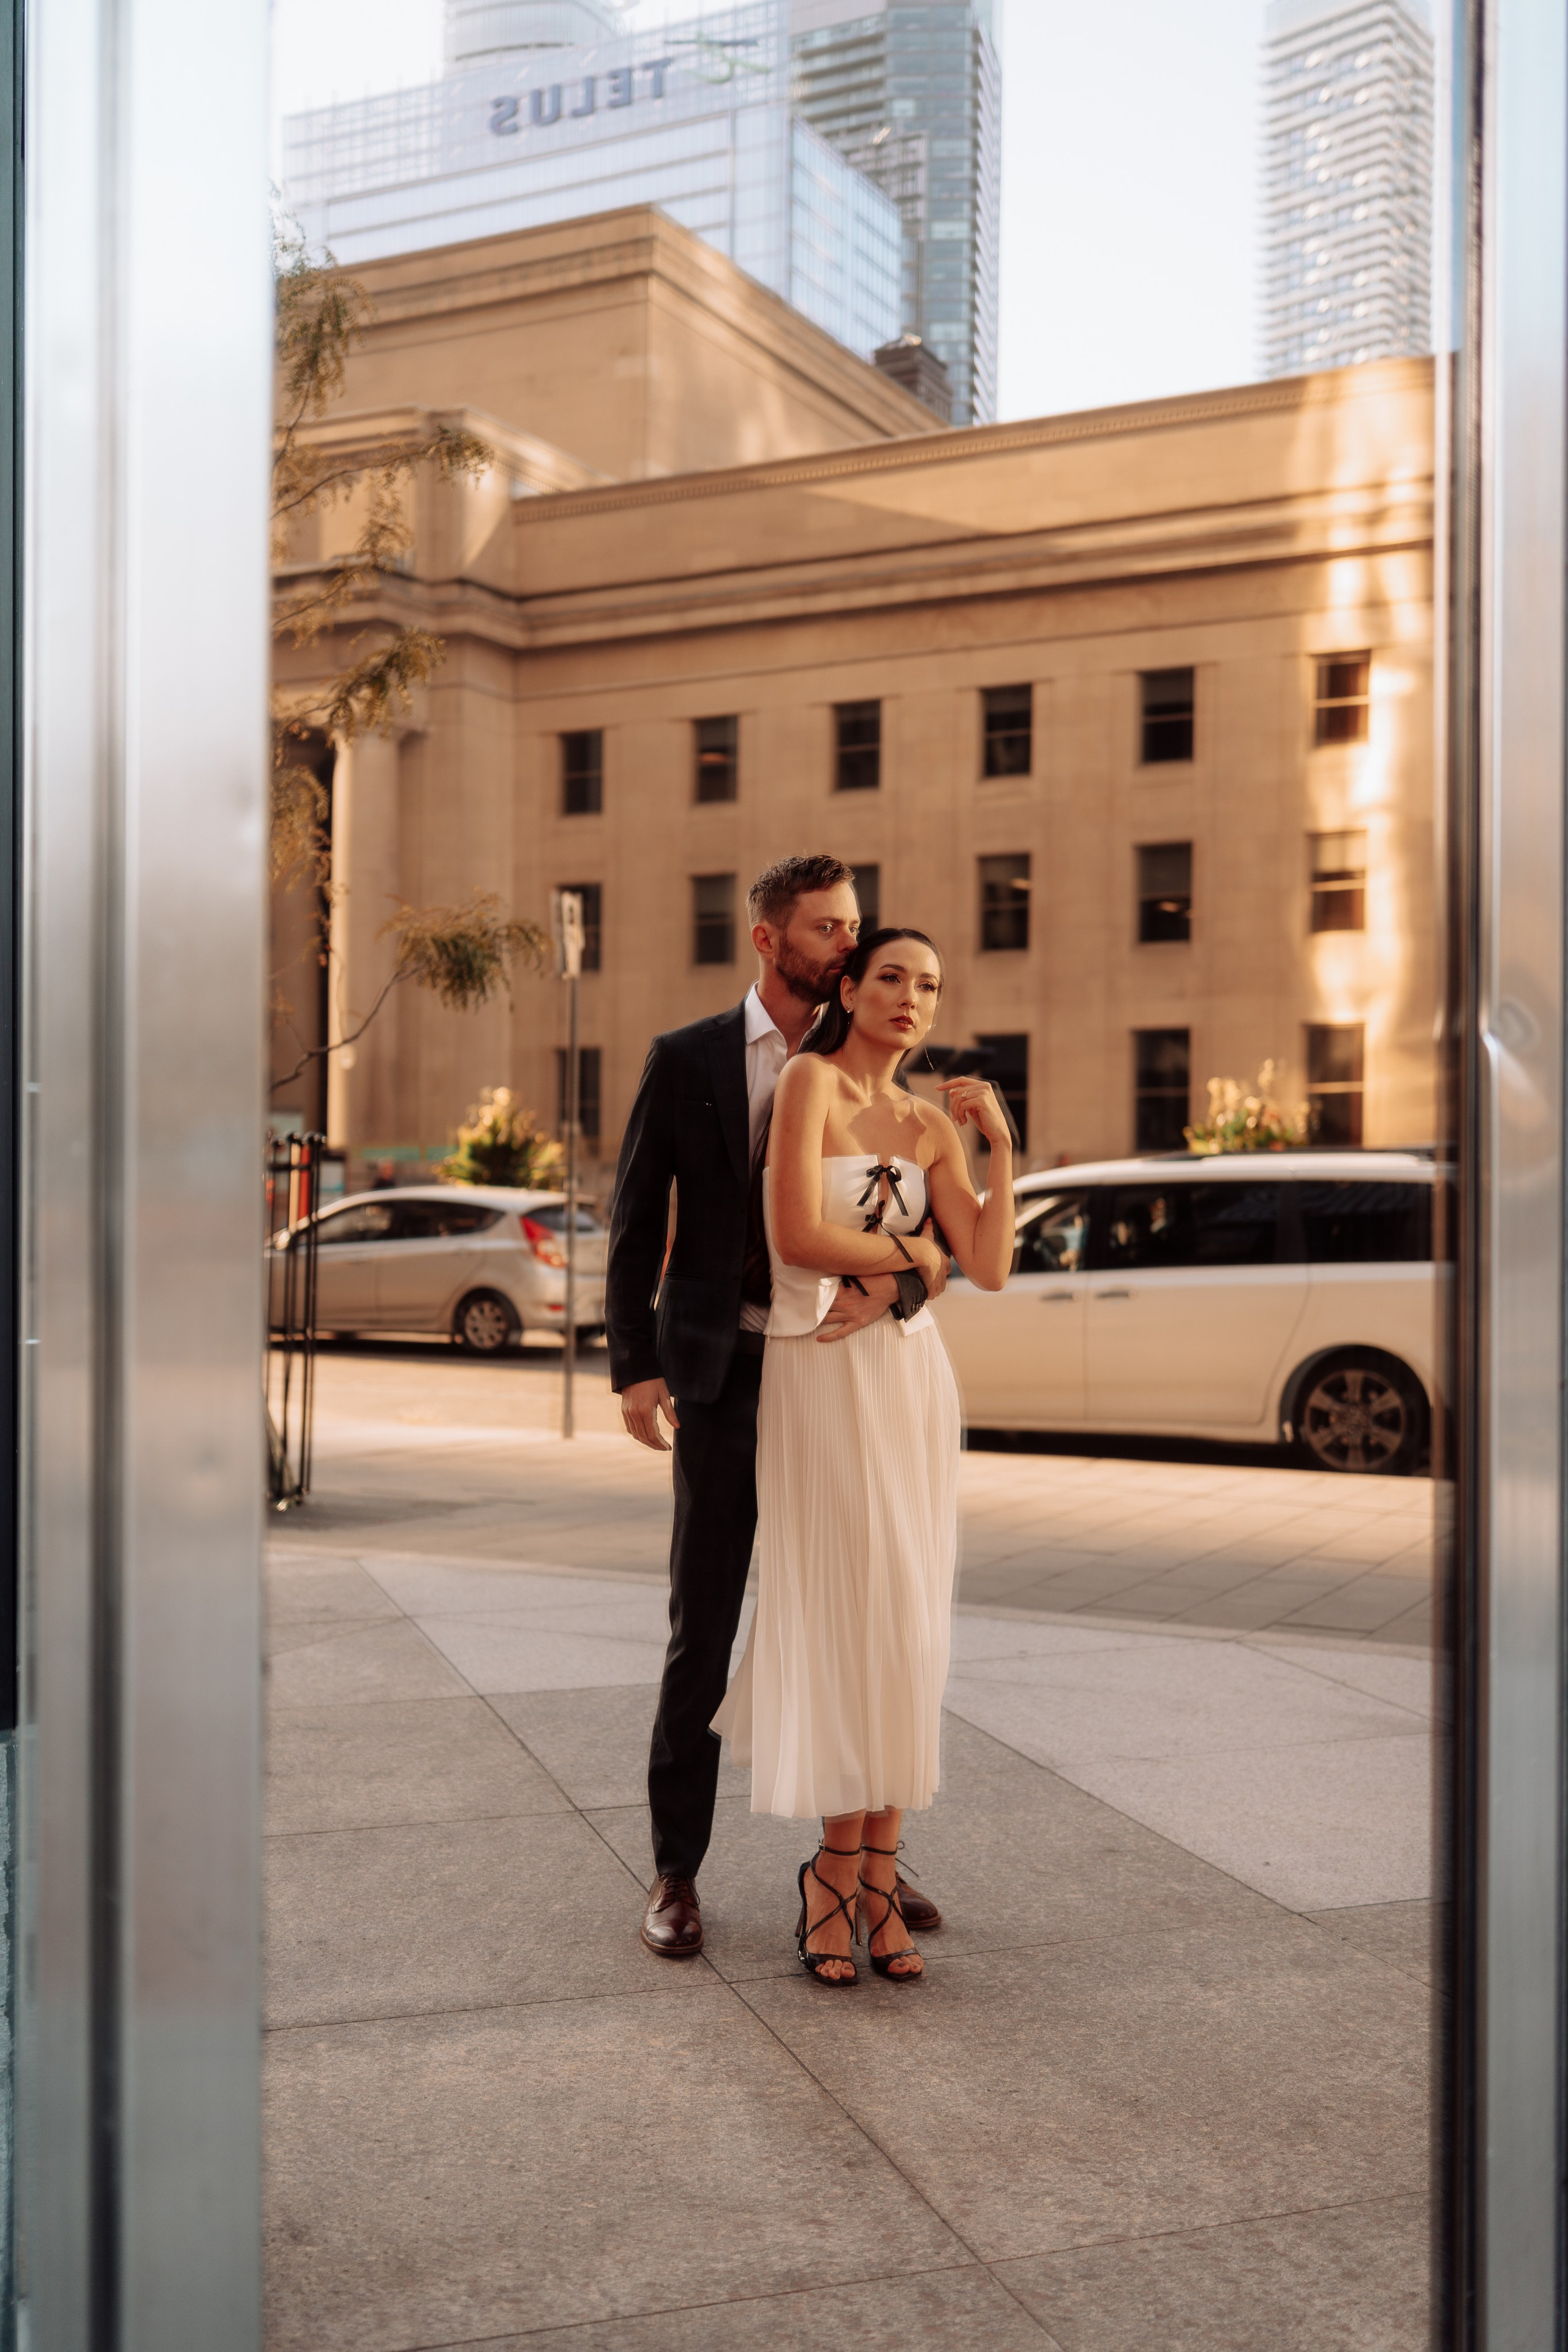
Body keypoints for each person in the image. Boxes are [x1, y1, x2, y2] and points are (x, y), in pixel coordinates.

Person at [607, 856, 946, 1958]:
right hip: (724, 1370)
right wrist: (635, 1366)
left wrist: (899, 1283)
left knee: (856, 1612)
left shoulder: (883, 1068)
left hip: (838, 1374)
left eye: (854, 926)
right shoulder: (691, 1059)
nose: (849, 946)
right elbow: (631, 1223)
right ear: (769, 938)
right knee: (703, 1627)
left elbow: (933, 1237)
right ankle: (675, 1870)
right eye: (826, 928)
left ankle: (856, 1868)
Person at [713, 927, 1014, 1983]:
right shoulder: (810, 1083)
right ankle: (834, 1873)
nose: (910, 997)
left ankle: (880, 1878)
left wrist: (998, 1154)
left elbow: (989, 1264)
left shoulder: (932, 1123)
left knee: (905, 1623)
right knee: (843, 1613)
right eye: (890, 976)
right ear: (849, 987)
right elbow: (797, 1234)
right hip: (817, 1378)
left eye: (929, 985)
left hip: (910, 1385)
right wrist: (915, 1253)